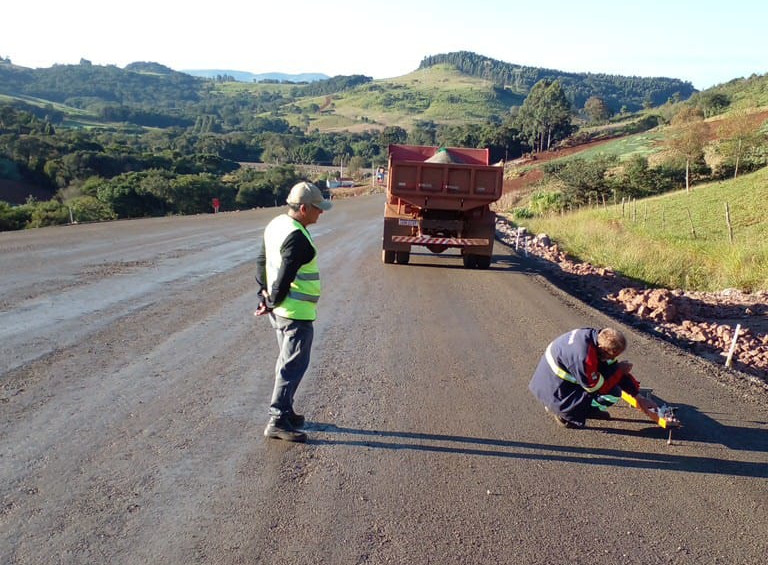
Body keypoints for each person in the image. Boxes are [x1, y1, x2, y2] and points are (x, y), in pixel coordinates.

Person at [255, 181, 332, 442]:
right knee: (293, 364)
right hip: (295, 313)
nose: (321, 213)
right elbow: (286, 272)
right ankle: (277, 418)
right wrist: (273, 300)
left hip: (282, 311)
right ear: (303, 208)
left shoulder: (277, 224)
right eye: (317, 209)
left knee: (287, 361)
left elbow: (262, 261)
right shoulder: (297, 237)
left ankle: (286, 410)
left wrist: (264, 297)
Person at [529, 327, 640, 429]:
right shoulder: (585, 358)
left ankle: (560, 406)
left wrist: (636, 393)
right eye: (612, 355)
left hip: (547, 382)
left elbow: (611, 366)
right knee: (613, 393)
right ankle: (567, 414)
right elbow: (595, 387)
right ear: (603, 349)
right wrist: (619, 370)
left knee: (610, 377)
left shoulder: (593, 337)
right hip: (555, 391)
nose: (614, 358)